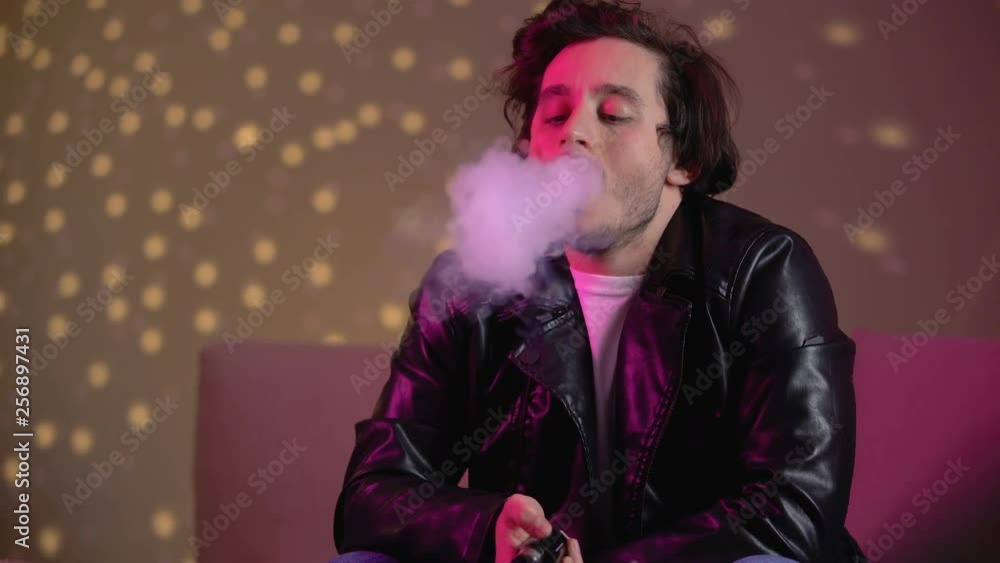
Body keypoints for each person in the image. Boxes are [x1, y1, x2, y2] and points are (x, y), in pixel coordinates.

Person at [334, 1, 864, 561]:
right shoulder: (468, 286)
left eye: (613, 115)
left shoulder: (764, 269)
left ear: (682, 158)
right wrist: (488, 530)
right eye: (554, 115)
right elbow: (372, 498)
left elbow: (793, 508)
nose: (575, 134)